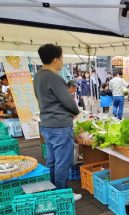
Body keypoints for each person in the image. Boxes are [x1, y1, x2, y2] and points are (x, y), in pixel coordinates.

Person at [33, 44, 81, 201]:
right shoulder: (54, 77)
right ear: (55, 60)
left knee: (52, 160)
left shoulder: (38, 75)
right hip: (59, 125)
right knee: (63, 162)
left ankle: (53, 190)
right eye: (61, 58)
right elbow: (68, 101)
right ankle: (62, 194)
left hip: (46, 123)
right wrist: (75, 111)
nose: (62, 61)